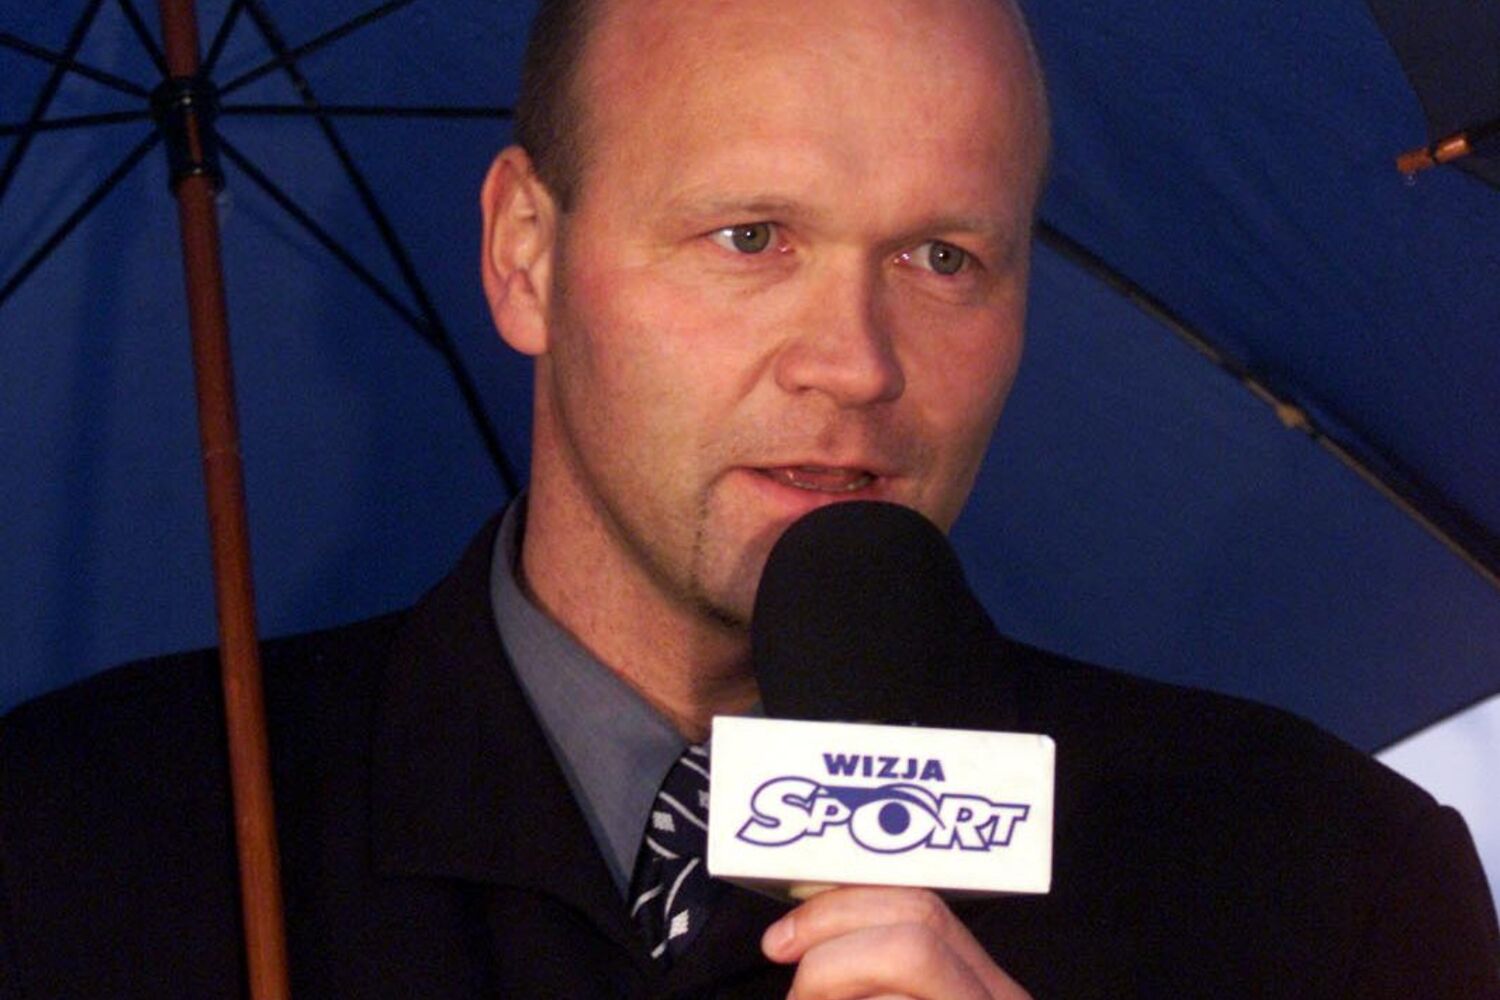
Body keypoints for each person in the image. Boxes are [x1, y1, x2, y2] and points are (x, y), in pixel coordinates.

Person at [1, 0, 1496, 996]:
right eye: (750, 236)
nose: (856, 363)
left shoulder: (1327, 884)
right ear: (525, 254)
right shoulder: (72, 853)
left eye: (943, 258)